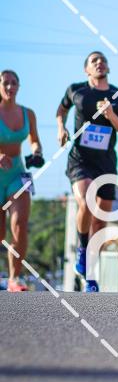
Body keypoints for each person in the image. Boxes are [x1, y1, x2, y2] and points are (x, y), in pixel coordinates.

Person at [56, 52, 118, 292]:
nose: (99, 63)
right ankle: (82, 249)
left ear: (108, 68)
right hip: (80, 160)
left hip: (106, 163)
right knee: (86, 200)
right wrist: (61, 128)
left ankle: (89, 274)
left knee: (100, 222)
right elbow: (61, 110)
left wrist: (111, 115)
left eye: (102, 60)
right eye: (94, 61)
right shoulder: (76, 90)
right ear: (86, 70)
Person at [0, 70, 44, 291]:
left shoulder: (28, 113)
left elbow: (34, 139)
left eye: (14, 83)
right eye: (5, 83)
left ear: (19, 86)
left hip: (18, 174)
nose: (10, 87)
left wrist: (36, 151)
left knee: (20, 224)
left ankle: (14, 279)